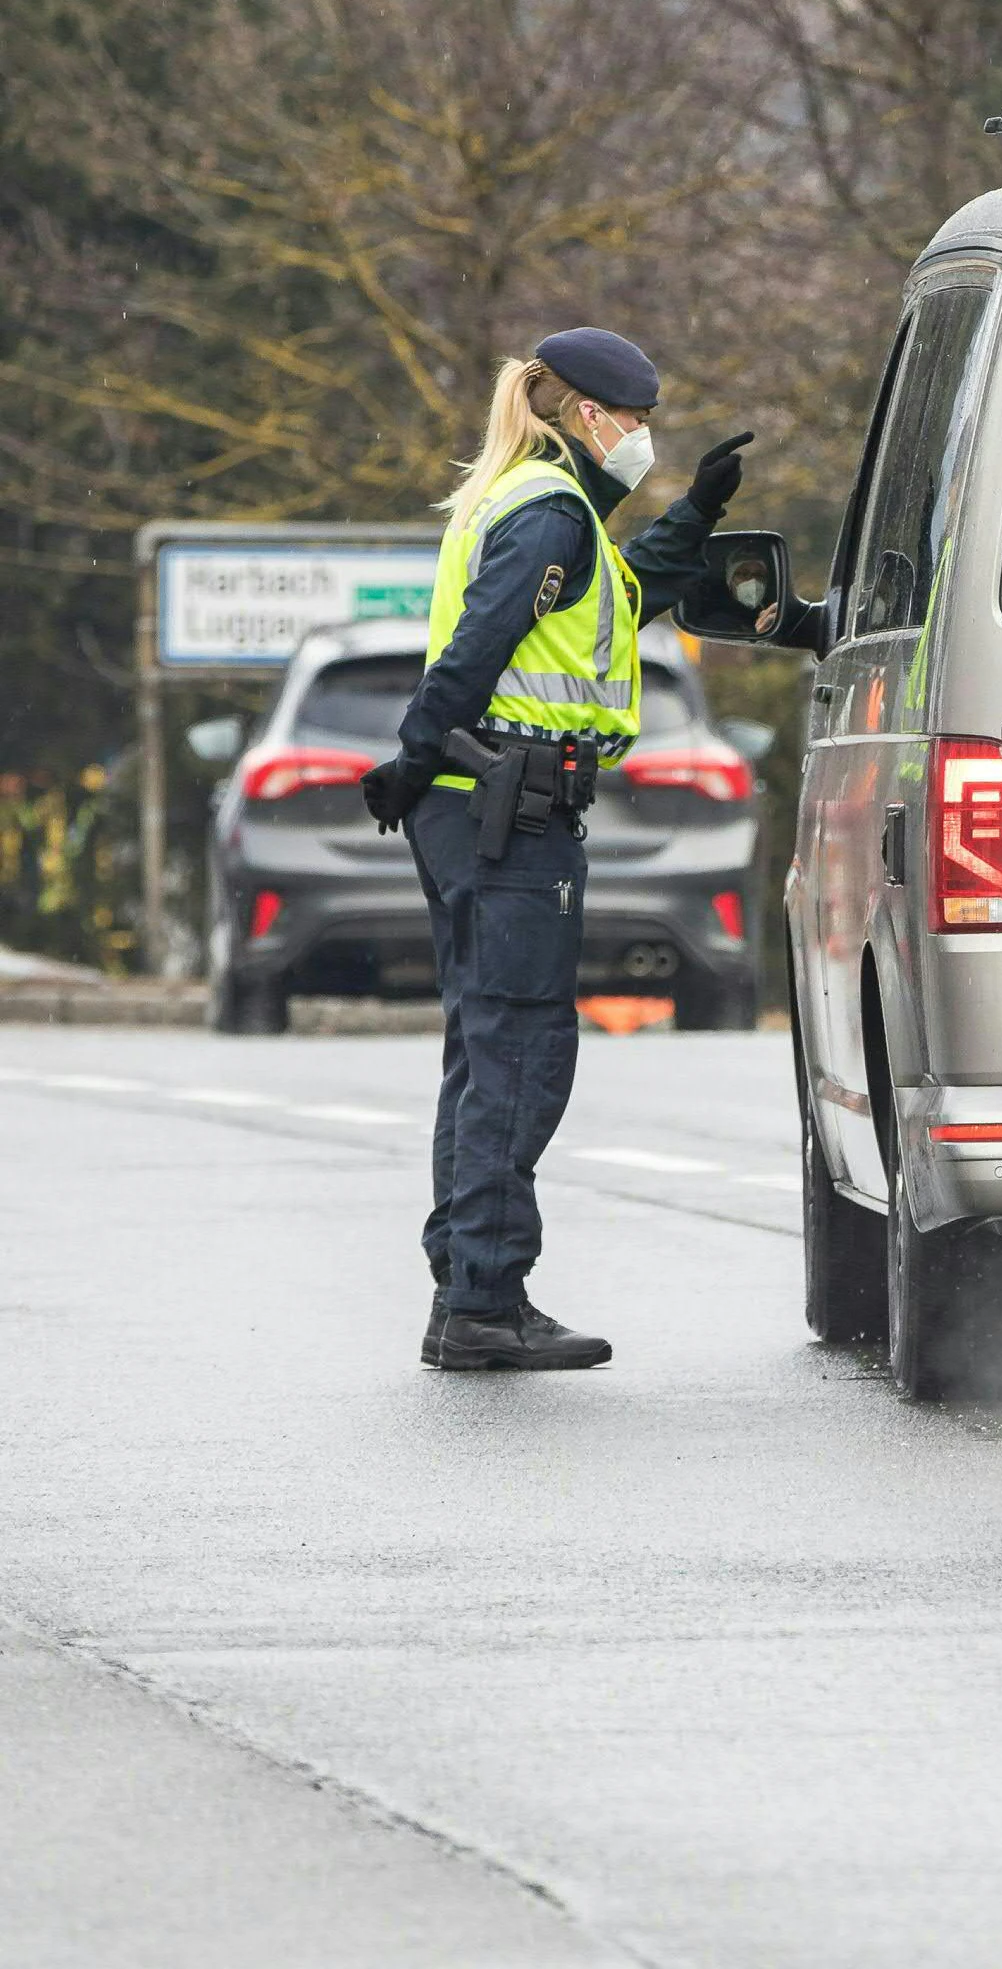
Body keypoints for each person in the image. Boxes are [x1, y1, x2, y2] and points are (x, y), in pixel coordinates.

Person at [358, 327, 759, 1370]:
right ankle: (484, 1302)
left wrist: (701, 512)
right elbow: (479, 643)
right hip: (508, 808)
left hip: (480, 807)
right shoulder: (547, 515)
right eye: (634, 420)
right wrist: (407, 756)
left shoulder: (544, 506)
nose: (641, 437)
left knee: (485, 1046)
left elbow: (624, 599)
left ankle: (472, 1288)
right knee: (522, 1049)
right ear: (586, 414)